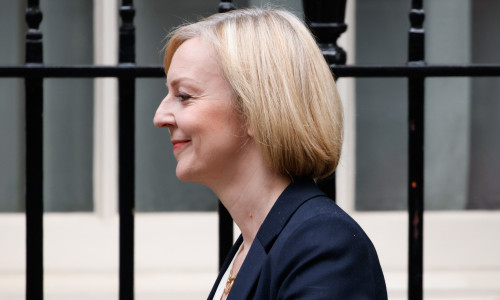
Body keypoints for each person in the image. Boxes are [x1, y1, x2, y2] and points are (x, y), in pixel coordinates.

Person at [154, 7, 387, 300]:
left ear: (254, 110)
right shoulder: (253, 245)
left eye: (184, 96)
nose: (160, 116)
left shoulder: (324, 247)